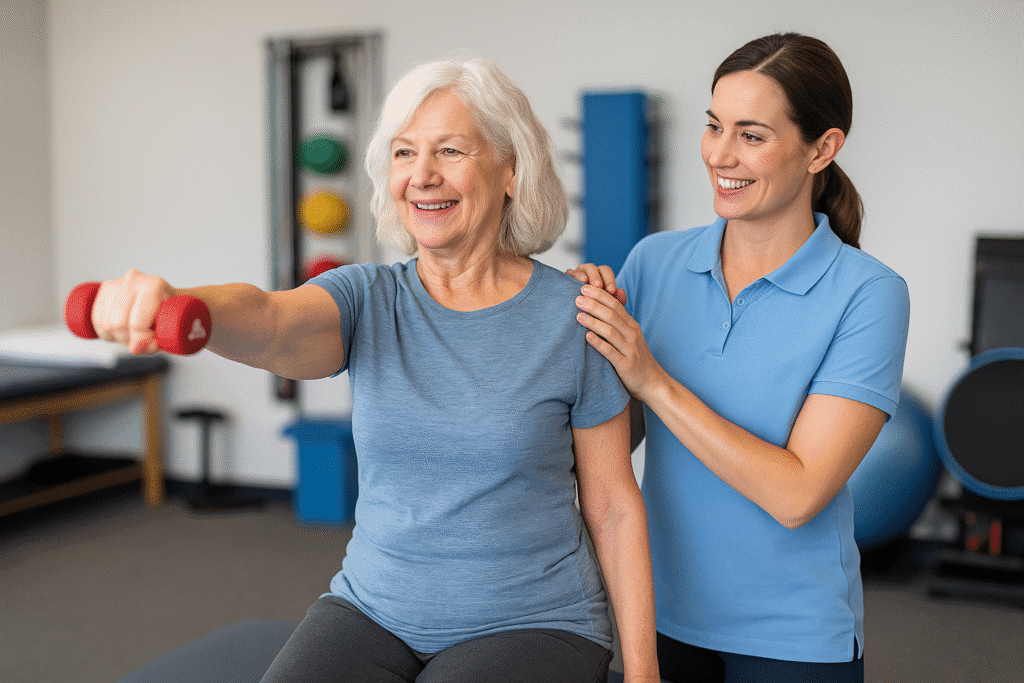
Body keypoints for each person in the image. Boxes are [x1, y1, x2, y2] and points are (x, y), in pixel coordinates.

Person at [90, 57, 659, 682]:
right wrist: (180, 301)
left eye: (449, 150)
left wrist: (643, 673)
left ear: (511, 170)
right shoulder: (367, 297)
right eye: (404, 153)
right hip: (374, 607)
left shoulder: (576, 316)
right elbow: (272, 320)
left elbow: (612, 505)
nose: (422, 175)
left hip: (534, 619)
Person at [570, 33, 910, 683]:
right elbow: (611, 442)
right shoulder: (654, 262)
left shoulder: (869, 294)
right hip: (658, 616)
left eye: (751, 135)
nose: (720, 155)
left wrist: (653, 380)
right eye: (713, 126)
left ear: (822, 149)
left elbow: (797, 494)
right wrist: (568, 322)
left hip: (794, 636)